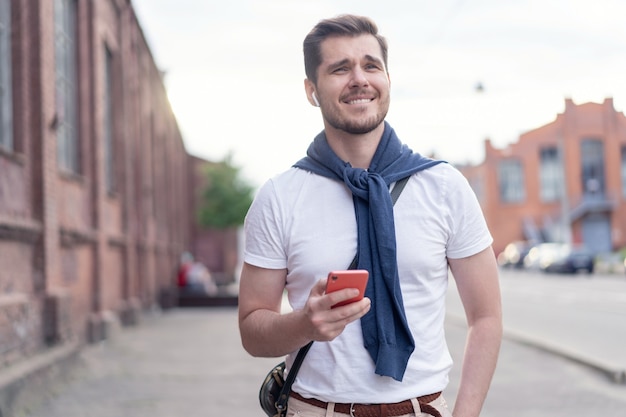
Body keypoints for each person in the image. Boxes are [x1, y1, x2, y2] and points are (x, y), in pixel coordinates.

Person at [238, 14, 502, 417]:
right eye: (339, 68)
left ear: (387, 81)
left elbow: (485, 317)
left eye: (371, 65)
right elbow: (252, 330)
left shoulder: (445, 187)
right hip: (315, 409)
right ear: (311, 91)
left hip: (421, 409)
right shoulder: (280, 196)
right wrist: (304, 325)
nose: (358, 78)